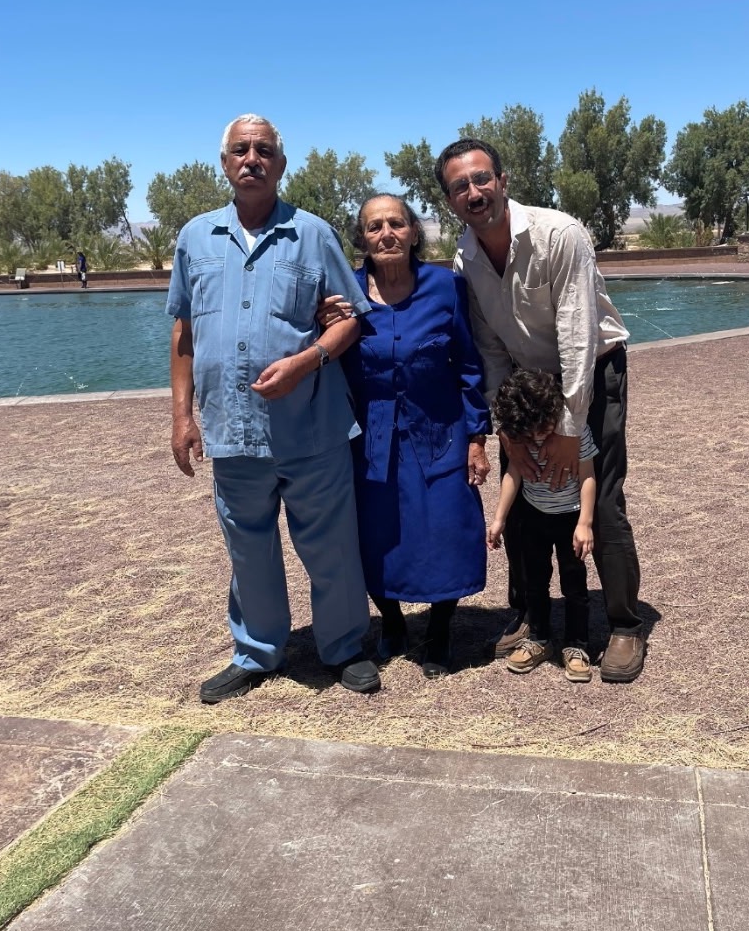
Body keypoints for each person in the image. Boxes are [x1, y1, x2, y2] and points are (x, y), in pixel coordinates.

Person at [167, 114, 382, 701]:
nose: (252, 159)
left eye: (263, 150)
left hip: (311, 426)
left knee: (330, 545)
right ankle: (257, 651)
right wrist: (183, 417)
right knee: (248, 549)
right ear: (225, 163)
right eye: (241, 150)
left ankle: (343, 647)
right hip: (231, 429)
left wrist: (306, 362)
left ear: (281, 165)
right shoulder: (194, 238)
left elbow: (349, 321)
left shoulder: (312, 235)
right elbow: (184, 331)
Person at [435, 139, 645, 683]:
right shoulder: (466, 257)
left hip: (591, 373)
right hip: (525, 389)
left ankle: (624, 624)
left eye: (482, 179)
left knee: (601, 498)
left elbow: (578, 336)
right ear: (450, 200)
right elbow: (489, 347)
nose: (474, 192)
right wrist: (506, 430)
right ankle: (531, 614)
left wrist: (570, 430)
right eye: (460, 186)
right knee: (526, 500)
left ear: (503, 181)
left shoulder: (560, 235)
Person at [335, 195, 490, 677]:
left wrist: (477, 437)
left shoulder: (446, 287)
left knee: (446, 528)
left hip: (440, 431)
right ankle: (393, 623)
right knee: (374, 535)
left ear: (414, 232)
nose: (387, 234)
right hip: (369, 440)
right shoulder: (344, 294)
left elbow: (468, 365)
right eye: (374, 226)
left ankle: (440, 630)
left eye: (396, 223)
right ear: (363, 239)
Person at [486, 368, 597, 682]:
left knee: (574, 585)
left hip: (570, 519)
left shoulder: (575, 431)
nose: (537, 437)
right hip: (534, 516)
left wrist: (585, 523)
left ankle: (577, 645)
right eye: (529, 433)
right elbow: (513, 474)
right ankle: (539, 637)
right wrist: (499, 518)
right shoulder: (521, 432)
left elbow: (588, 476)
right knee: (534, 582)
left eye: (544, 430)